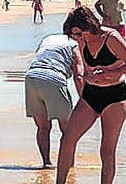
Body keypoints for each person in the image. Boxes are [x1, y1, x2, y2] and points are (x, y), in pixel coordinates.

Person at [50, 5, 126, 184]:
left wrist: (109, 73)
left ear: (89, 26)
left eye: (78, 33)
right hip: (91, 95)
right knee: (67, 139)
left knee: (107, 149)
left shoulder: (111, 38)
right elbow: (84, 68)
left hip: (114, 96)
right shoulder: (80, 43)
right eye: (73, 35)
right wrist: (85, 78)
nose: (76, 38)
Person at [24, 29, 83, 169]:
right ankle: (69, 165)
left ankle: (46, 163)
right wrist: (85, 99)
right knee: (68, 130)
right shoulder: (75, 44)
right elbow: (79, 73)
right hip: (54, 78)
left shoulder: (48, 39)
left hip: (31, 77)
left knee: (43, 127)